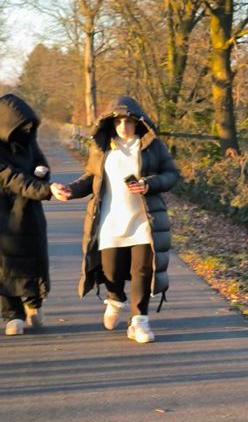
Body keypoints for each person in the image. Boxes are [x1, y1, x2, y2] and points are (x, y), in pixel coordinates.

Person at [52, 96, 179, 343]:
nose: (124, 126)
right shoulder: (102, 147)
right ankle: (115, 298)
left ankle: (139, 321)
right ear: (111, 123)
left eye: (129, 122)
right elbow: (90, 179)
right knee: (112, 271)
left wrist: (149, 184)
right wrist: (70, 190)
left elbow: (171, 175)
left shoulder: (151, 146)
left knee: (142, 270)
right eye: (119, 122)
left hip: (143, 221)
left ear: (138, 123)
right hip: (110, 222)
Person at [0, 93, 53, 336]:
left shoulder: (29, 142)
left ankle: (34, 303)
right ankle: (13, 315)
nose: (28, 130)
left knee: (34, 257)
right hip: (4, 215)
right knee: (5, 265)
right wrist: (46, 189)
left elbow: (42, 165)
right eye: (23, 126)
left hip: (30, 211)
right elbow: (12, 178)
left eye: (30, 126)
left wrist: (43, 174)